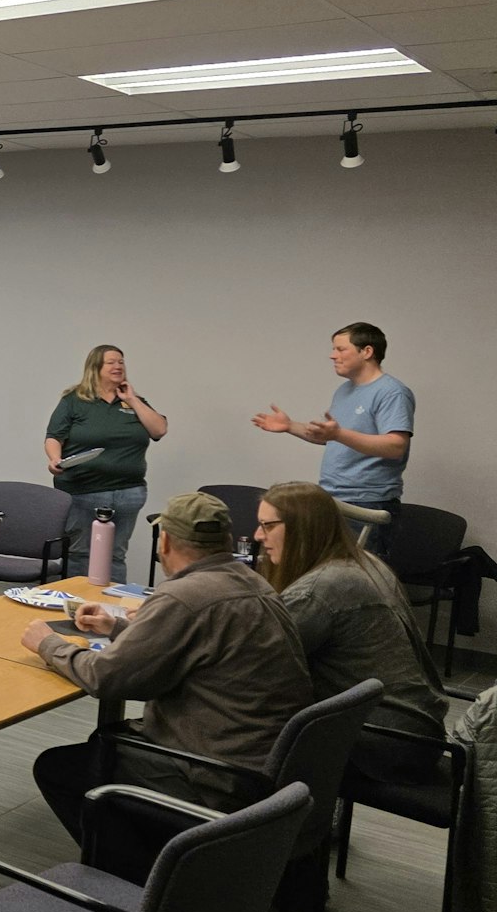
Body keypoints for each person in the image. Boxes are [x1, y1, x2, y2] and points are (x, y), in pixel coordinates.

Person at [21, 491, 311, 880]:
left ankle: (142, 882)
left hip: (214, 775)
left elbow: (105, 678)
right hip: (264, 766)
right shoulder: (254, 584)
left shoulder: (183, 595)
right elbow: (194, 648)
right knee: (103, 745)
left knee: (61, 767)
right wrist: (118, 627)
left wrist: (47, 643)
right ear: (225, 541)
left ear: (167, 541)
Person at [254, 480, 447, 783]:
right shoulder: (365, 563)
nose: (257, 536)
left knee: (238, 721)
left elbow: (254, 661)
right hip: (420, 731)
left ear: (302, 528)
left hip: (384, 744)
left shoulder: (319, 590)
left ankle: (271, 823)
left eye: (267, 526)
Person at [252, 323, 413, 551]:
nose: (332, 355)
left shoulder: (392, 392)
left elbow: (395, 446)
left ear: (367, 352)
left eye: (340, 349)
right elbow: (331, 437)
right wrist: (290, 426)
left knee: (357, 579)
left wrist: (338, 433)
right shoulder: (345, 391)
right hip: (331, 498)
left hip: (366, 502)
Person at [44, 344, 167, 583]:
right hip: (82, 490)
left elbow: (159, 429)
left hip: (128, 491)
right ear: (95, 367)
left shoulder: (134, 401)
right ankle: (76, 603)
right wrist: (54, 459)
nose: (118, 366)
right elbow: (53, 437)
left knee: (115, 554)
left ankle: (112, 610)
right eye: (111, 362)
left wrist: (132, 399)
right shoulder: (75, 400)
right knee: (80, 553)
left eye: (121, 361)